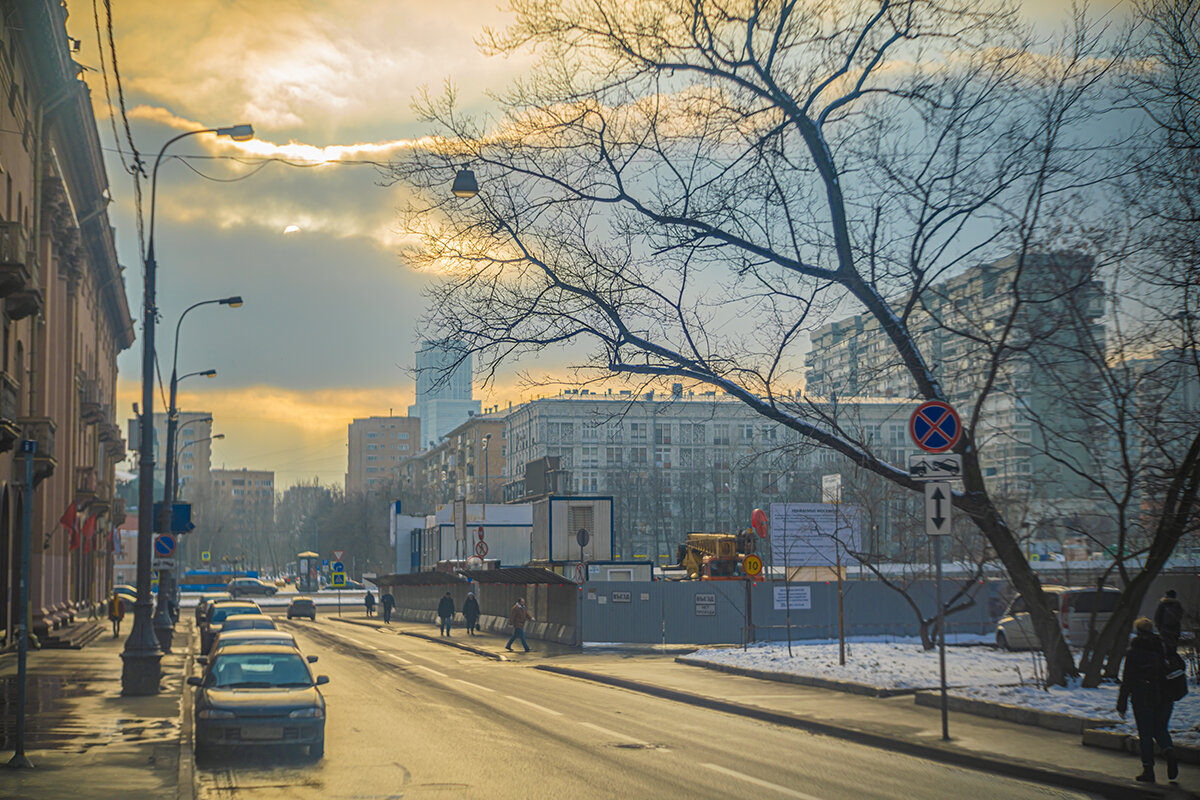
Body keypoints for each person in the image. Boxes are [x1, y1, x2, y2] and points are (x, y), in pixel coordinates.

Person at [1117, 617, 1177, 783]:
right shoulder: (1162, 647)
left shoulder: (1134, 651)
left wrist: (1121, 704)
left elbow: (1127, 679)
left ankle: (1148, 770)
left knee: (1145, 733)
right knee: (1161, 728)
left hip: (1142, 697)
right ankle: (1169, 751)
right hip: (1165, 696)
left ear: (1138, 631)